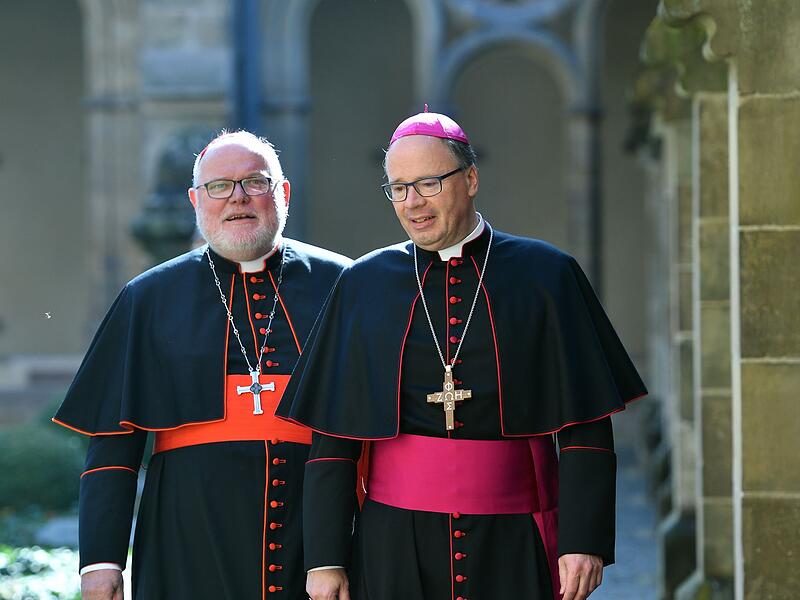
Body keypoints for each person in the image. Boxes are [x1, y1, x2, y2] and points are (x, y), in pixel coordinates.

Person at [277, 110, 647, 600]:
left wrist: (583, 541)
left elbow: (585, 425)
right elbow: (334, 436)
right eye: (399, 188)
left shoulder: (545, 276)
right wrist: (325, 559)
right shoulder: (363, 285)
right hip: (392, 542)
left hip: (515, 537)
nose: (413, 203)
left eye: (428, 183)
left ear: (471, 179)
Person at [54, 130, 350, 599]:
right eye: (219, 186)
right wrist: (100, 561)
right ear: (196, 200)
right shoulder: (147, 298)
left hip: (316, 539)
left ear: (283, 194)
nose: (237, 198)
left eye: (255, 182)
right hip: (186, 538)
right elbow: (112, 447)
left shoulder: (345, 286)